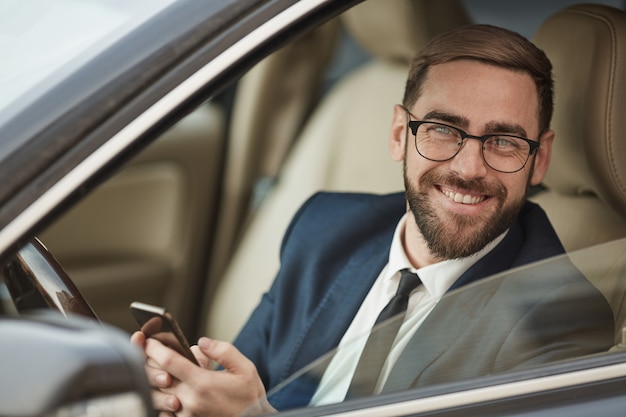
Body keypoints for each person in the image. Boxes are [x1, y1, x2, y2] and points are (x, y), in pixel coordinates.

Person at [131, 24, 614, 416]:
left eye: (504, 141)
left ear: (541, 158)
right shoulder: (324, 228)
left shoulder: (558, 318)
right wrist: (187, 393)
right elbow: (242, 376)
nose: (469, 169)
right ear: (400, 134)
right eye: (444, 130)